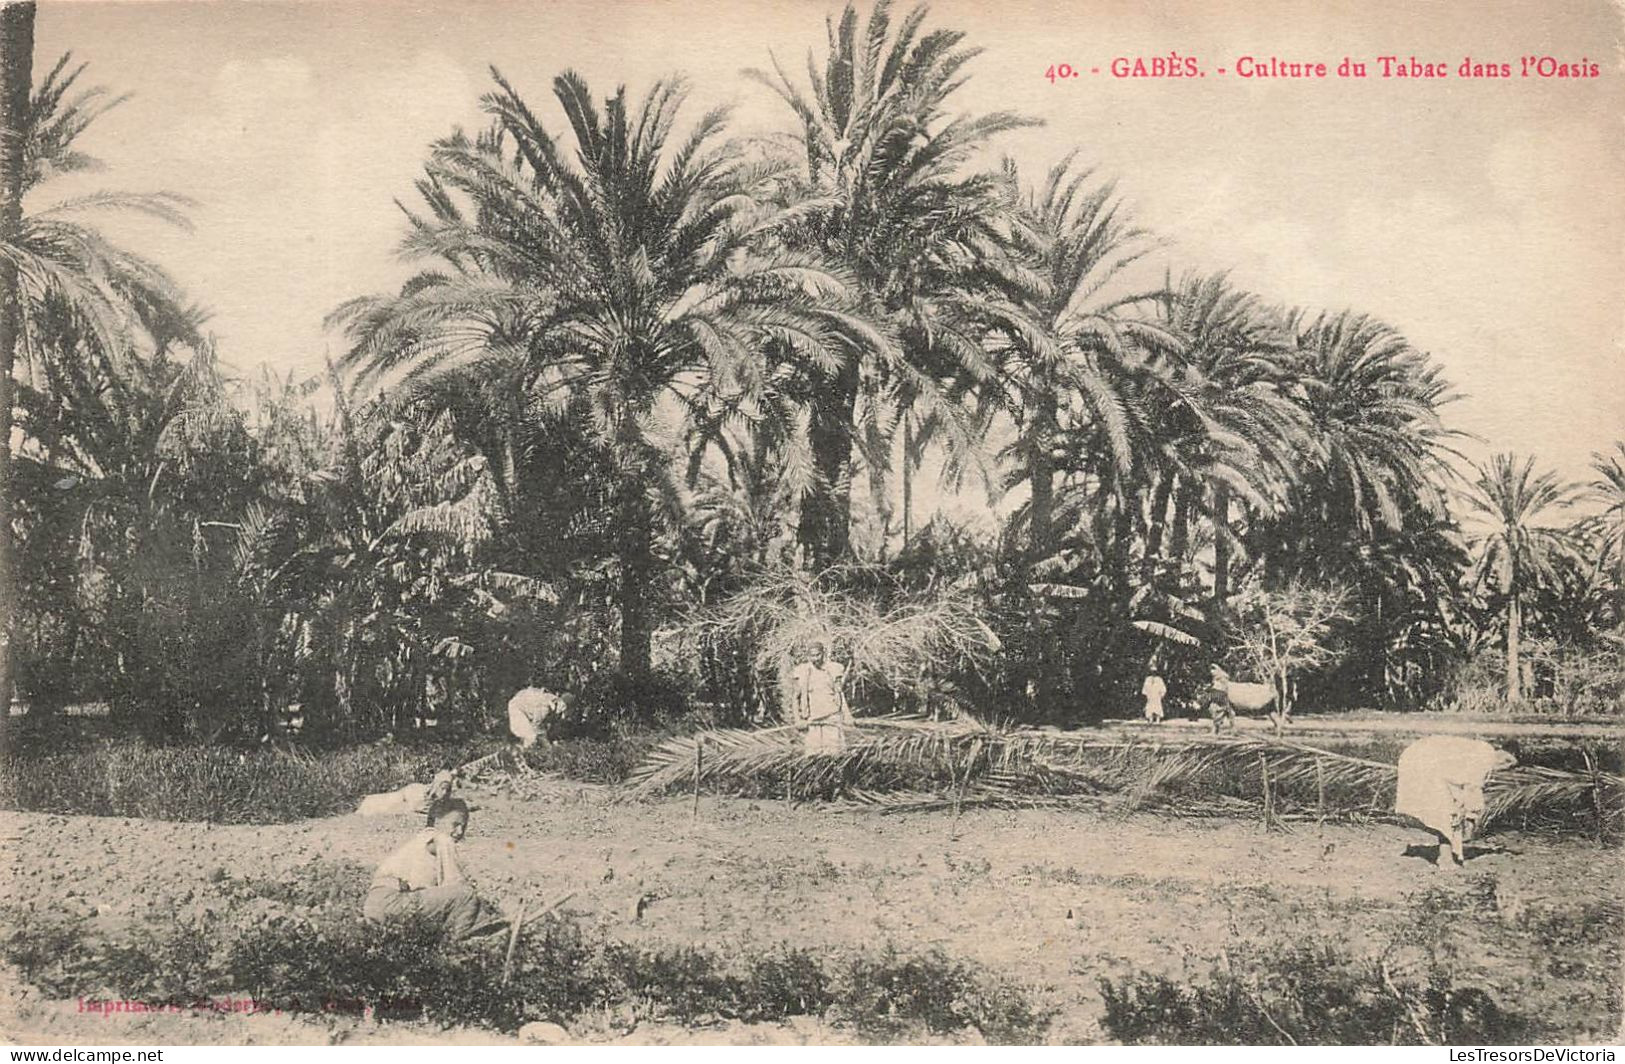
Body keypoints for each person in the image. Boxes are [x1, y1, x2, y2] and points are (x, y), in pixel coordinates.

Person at [363, 797, 502, 940]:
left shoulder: (420, 840)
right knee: (466, 895)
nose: (460, 831)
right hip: (394, 901)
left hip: (374, 907)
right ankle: (462, 945)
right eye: (455, 824)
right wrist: (484, 908)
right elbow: (455, 883)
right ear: (436, 821)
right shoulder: (441, 839)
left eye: (463, 826)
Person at [1395, 735, 1517, 870]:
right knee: (1447, 812)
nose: (1505, 767)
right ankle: (1445, 859)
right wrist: (1469, 818)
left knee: (1451, 810)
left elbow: (1462, 782)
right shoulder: (1486, 757)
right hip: (1422, 762)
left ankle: (1448, 854)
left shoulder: (1481, 749)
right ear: (1505, 758)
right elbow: (1472, 790)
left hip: (1417, 758)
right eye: (1508, 763)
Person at [791, 641, 852, 754]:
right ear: (808, 656)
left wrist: (847, 715)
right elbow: (795, 697)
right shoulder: (802, 671)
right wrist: (797, 719)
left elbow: (839, 694)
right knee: (813, 754)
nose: (815, 659)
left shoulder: (834, 669)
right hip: (812, 720)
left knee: (834, 753)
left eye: (818, 655)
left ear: (823, 653)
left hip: (832, 718)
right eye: (812, 656)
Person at [1204, 664, 1235, 734]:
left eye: (1213, 669)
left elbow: (1222, 689)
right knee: (1219, 712)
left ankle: (1222, 729)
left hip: (1220, 696)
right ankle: (1218, 729)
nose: (1211, 671)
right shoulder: (1218, 678)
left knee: (1220, 712)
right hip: (1218, 696)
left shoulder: (1221, 677)